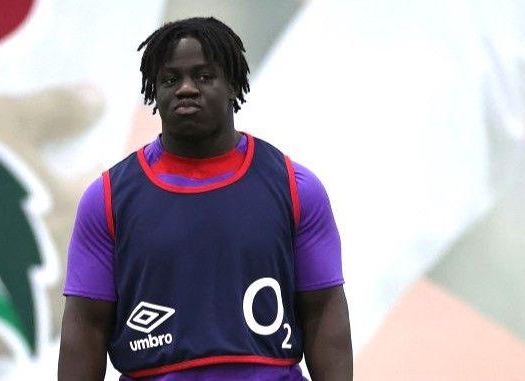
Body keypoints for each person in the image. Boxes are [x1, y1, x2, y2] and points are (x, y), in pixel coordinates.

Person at [58, 17, 352, 380]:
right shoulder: (106, 198)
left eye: (203, 76)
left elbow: (322, 311)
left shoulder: (295, 187)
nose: (185, 89)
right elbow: (86, 327)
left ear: (232, 84)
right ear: (154, 91)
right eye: (170, 79)